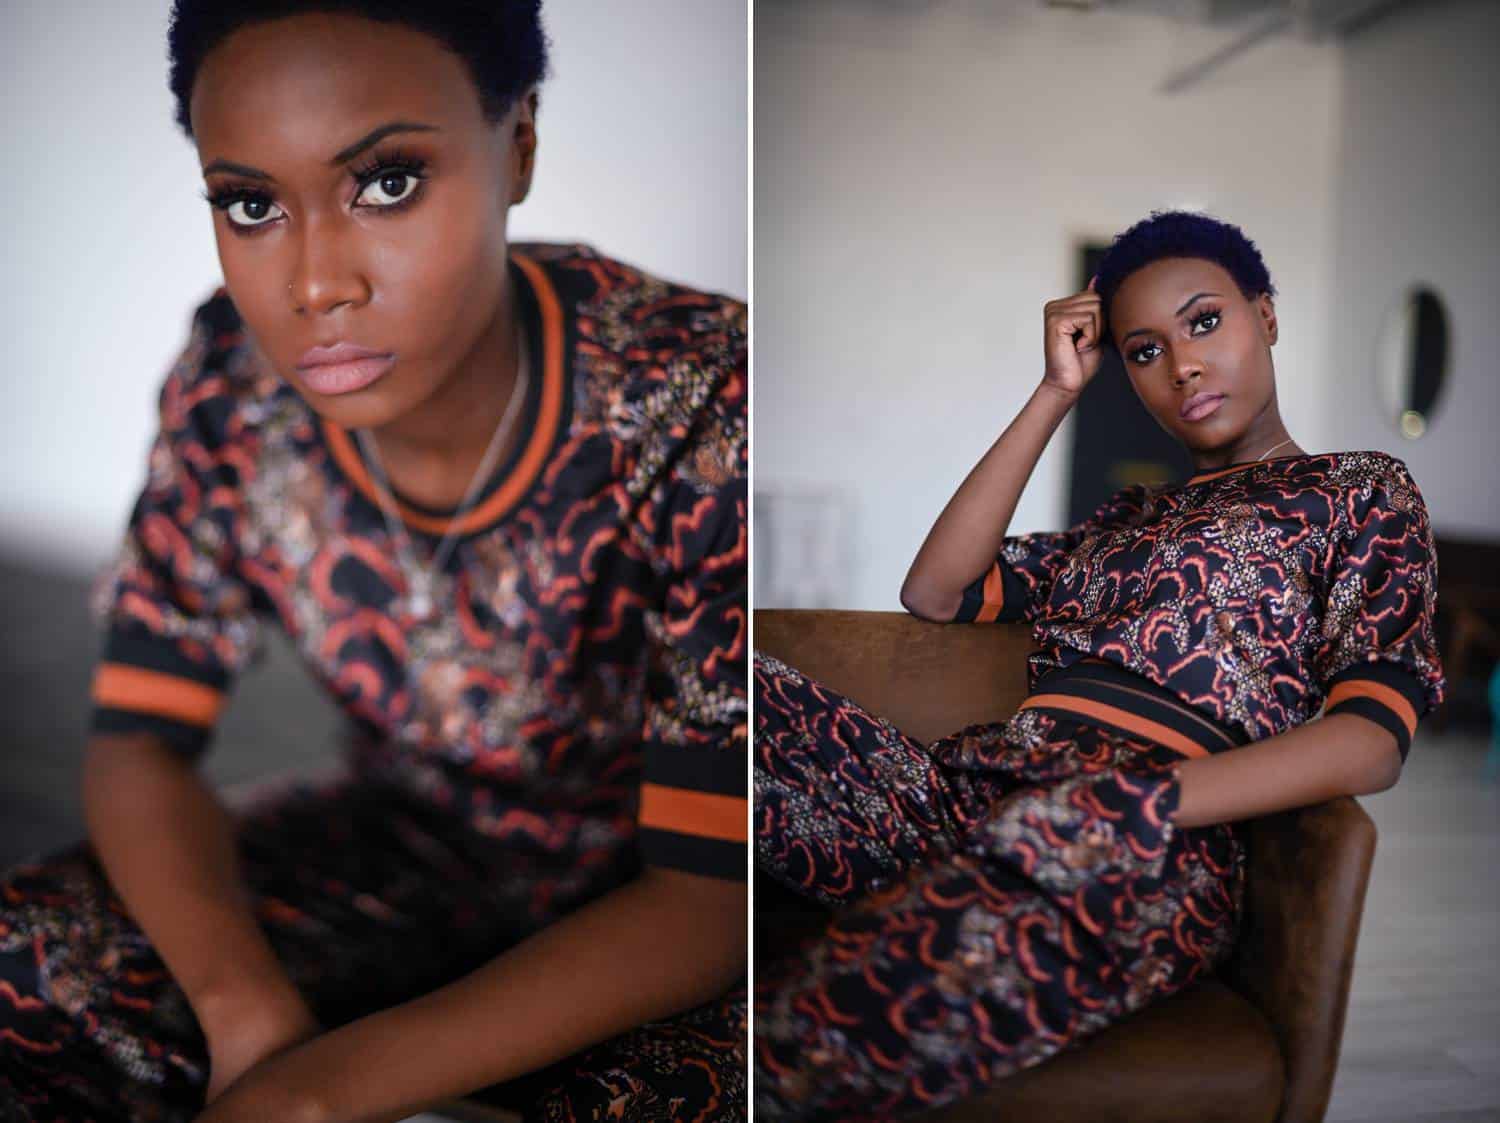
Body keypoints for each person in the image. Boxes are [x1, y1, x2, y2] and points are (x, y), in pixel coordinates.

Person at [0, 3, 747, 1121]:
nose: (315, 285)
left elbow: (705, 898)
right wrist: (250, 1018)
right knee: (22, 961)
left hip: (661, 913)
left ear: (520, 146)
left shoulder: (698, 400)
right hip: (404, 845)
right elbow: (140, 741)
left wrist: (312, 1095)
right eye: (251, 204)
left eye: (386, 182)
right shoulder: (234, 383)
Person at [753, 210, 1445, 1119]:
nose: (1183, 366)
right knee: (722, 684)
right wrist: (1053, 390)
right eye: (1144, 350)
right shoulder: (1121, 522)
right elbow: (936, 589)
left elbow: (1370, 740)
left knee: (834, 1018)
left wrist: (1145, 804)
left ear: (1265, 316)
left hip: (1142, 839)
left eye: (1206, 323)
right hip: (961, 799)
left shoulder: (1359, 491)